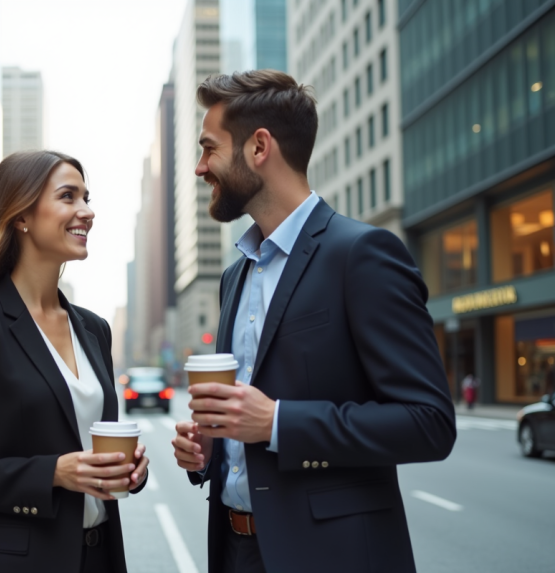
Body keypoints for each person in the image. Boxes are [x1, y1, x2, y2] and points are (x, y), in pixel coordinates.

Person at [171, 70, 456, 573]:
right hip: (236, 551)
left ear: (259, 147)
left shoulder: (363, 255)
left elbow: (429, 423)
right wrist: (213, 448)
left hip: (333, 556)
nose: (200, 168)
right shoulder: (234, 276)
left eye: (209, 149)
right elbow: (247, 427)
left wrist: (278, 422)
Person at [0, 151, 149, 573]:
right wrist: (53, 474)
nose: (87, 211)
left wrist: (129, 470)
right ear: (21, 216)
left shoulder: (94, 329)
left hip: (99, 558)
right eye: (68, 196)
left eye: (87, 197)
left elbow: (92, 445)